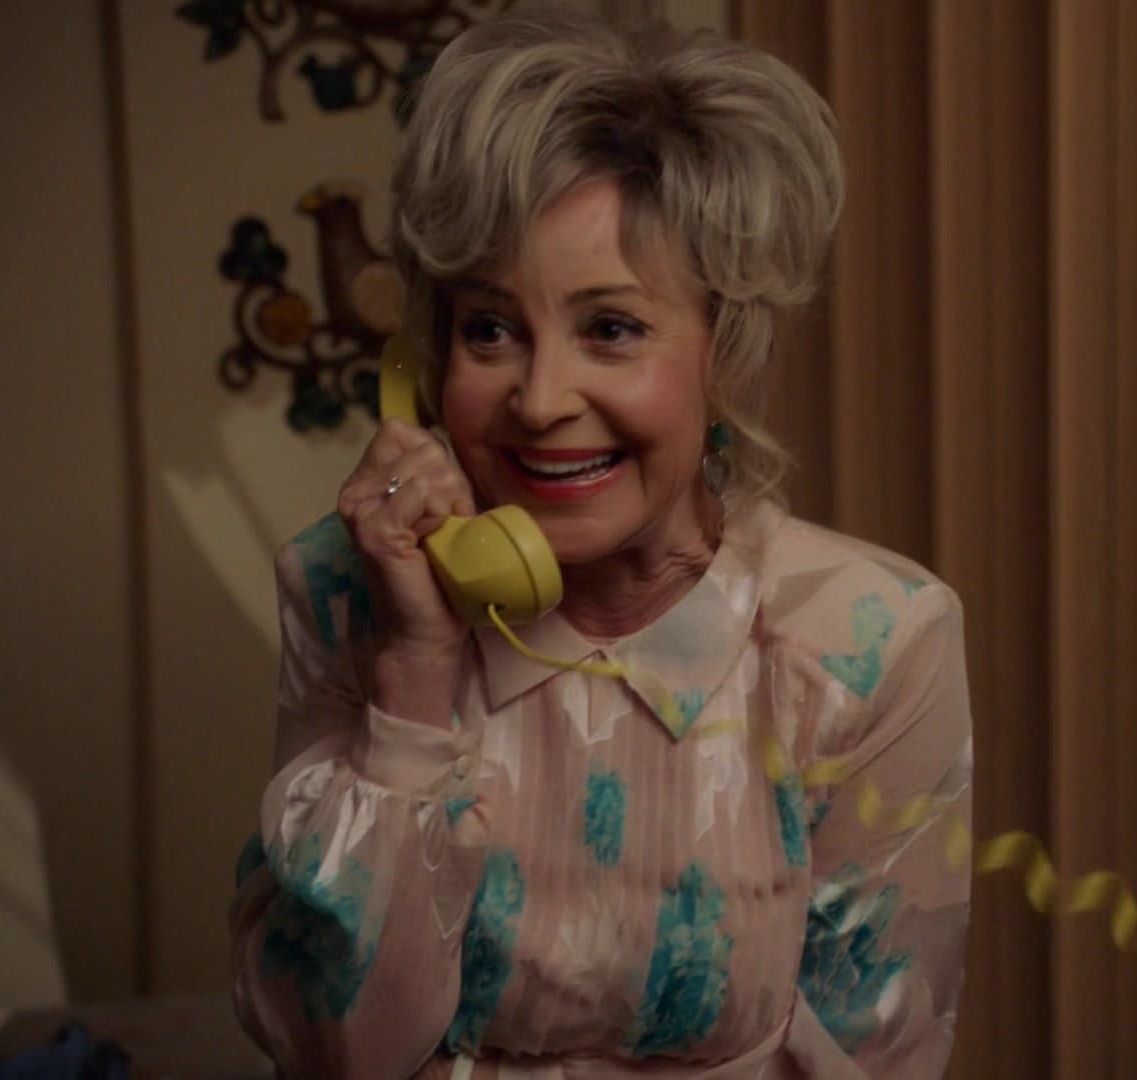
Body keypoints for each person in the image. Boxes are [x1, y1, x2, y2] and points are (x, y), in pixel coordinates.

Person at [227, 6, 972, 1076]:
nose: (539, 401)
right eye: (490, 328)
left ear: (726, 349)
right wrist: (415, 680)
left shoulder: (873, 642)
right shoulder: (345, 592)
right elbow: (338, 1050)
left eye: (611, 328)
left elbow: (878, 1060)